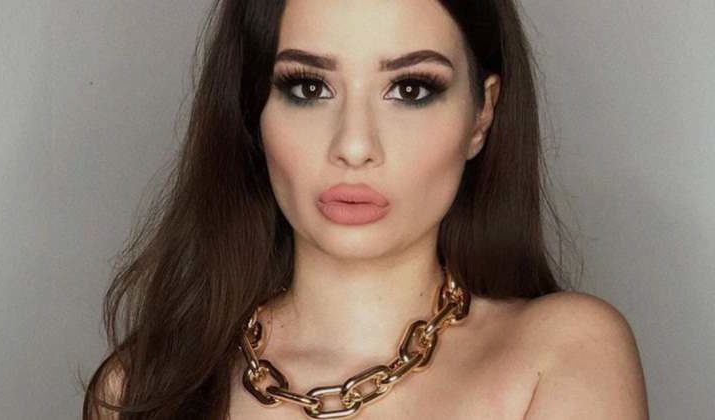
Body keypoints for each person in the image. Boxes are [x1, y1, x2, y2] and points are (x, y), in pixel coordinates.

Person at [83, 0, 649, 419]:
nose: (354, 146)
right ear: (252, 109)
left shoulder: (562, 353)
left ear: (482, 114)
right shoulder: (138, 390)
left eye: (410, 90)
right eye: (309, 88)